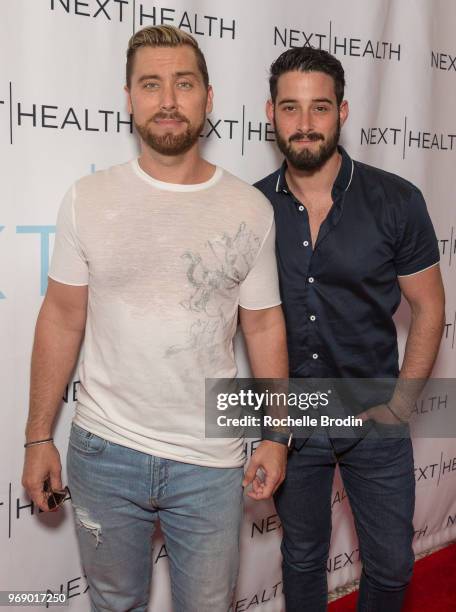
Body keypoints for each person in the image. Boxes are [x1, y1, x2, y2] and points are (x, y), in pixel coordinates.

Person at [21, 25, 289, 612]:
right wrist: (38, 435)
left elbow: (264, 325)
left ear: (208, 98)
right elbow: (62, 317)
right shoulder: (86, 199)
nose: (168, 100)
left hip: (211, 463)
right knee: (114, 604)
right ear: (130, 98)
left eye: (183, 83)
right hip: (103, 451)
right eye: (151, 85)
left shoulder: (249, 208)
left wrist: (276, 433)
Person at [255, 46, 445, 611]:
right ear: (271, 114)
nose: (305, 123)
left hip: (374, 416)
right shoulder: (251, 208)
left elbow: (430, 309)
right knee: (303, 557)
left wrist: (402, 402)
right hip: (293, 418)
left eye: (319, 108)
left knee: (391, 565)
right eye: (291, 108)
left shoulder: (397, 201)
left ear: (342, 111)